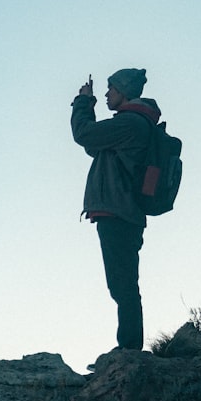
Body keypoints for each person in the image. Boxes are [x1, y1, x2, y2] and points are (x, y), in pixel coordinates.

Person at [70, 68, 161, 351]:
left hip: (119, 213)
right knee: (122, 284)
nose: (107, 94)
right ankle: (128, 348)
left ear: (123, 91)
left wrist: (83, 103)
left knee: (123, 286)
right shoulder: (132, 123)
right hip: (123, 213)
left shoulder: (131, 123)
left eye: (111, 89)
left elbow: (84, 134)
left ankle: (129, 350)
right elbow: (94, 145)